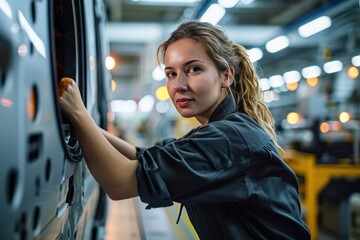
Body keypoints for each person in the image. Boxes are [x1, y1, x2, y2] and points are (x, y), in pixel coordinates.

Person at [58, 20, 311, 239]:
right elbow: (141, 155)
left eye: (193, 69)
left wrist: (79, 114)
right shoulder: (221, 131)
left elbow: (120, 183)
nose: (179, 85)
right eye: (171, 73)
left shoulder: (229, 139)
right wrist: (87, 123)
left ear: (226, 76)